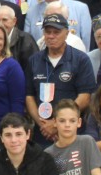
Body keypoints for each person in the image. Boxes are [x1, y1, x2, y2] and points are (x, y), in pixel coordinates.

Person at [26, 13, 96, 145]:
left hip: (70, 132)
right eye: (48, 32)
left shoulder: (80, 59)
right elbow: (29, 96)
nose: (51, 36)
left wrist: (57, 123)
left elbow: (85, 97)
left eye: (56, 32)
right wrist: (43, 125)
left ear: (67, 33)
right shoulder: (34, 60)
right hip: (42, 133)